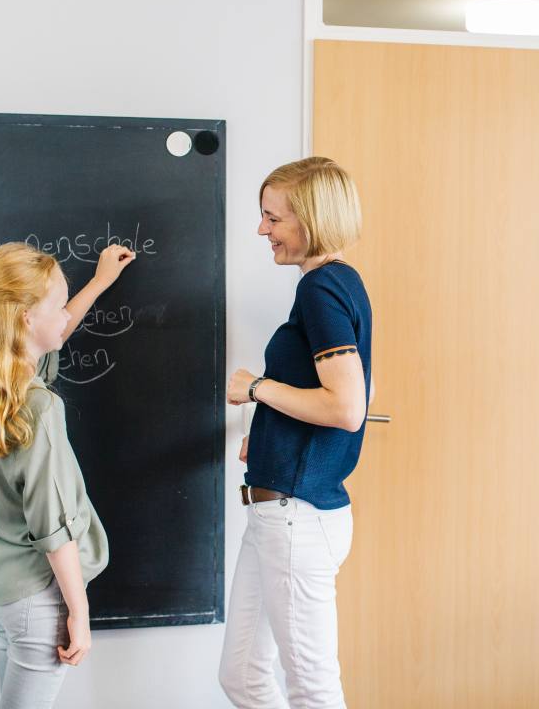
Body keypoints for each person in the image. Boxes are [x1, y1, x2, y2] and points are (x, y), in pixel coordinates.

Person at [0, 241, 134, 708]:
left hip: (4, 592)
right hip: (39, 599)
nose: (64, 315)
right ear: (27, 318)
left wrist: (99, 283)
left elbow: (58, 330)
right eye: (56, 304)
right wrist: (79, 612)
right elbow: (53, 526)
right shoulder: (39, 407)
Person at [219, 157, 372, 709]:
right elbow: (333, 391)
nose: (263, 230)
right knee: (242, 676)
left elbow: (348, 406)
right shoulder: (333, 282)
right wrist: (268, 440)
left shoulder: (321, 289)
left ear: (309, 220)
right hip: (277, 512)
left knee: (312, 688)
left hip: (297, 518)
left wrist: (257, 388)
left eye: (272, 218)